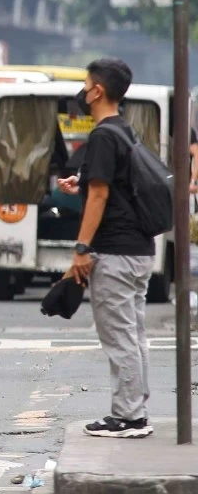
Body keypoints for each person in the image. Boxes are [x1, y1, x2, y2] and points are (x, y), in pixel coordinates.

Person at [59, 58, 155, 438]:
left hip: (115, 251)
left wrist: (82, 246)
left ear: (97, 90)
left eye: (85, 85)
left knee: (118, 336)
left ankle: (128, 417)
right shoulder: (123, 131)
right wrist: (80, 182)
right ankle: (136, 410)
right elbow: (106, 185)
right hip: (139, 249)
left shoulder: (101, 135)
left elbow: (100, 195)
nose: (82, 92)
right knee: (134, 334)